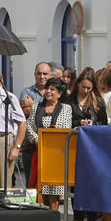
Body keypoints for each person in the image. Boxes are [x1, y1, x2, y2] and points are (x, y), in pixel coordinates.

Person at [68, 71, 107, 221]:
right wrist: (78, 122)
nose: (86, 90)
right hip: (74, 146)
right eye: (83, 87)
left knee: (91, 183)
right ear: (78, 84)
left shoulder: (97, 101)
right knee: (74, 184)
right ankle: (78, 218)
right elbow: (65, 120)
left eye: (89, 88)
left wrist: (93, 124)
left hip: (92, 148)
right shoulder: (68, 101)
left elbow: (104, 123)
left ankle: (91, 218)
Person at [26, 78, 72, 211]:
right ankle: (40, 218)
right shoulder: (36, 107)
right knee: (39, 187)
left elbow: (66, 128)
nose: (48, 91)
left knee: (54, 190)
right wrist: (37, 140)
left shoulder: (66, 109)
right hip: (39, 152)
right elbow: (30, 126)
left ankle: (53, 217)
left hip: (56, 155)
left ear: (59, 93)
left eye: (52, 89)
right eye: (47, 88)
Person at [0, 68, 27, 189]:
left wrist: (17, 147)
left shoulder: (9, 98)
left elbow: (22, 123)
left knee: (3, 183)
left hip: (3, 140)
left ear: (2, 79)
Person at [18, 62, 52, 187]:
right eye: (39, 73)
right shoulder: (26, 91)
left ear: (50, 75)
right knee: (30, 180)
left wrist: (32, 103)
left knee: (48, 181)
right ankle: (31, 206)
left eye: (45, 74)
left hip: (50, 144)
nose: (42, 76)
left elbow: (52, 111)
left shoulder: (54, 92)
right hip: (31, 144)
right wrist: (44, 107)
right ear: (34, 75)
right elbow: (26, 113)